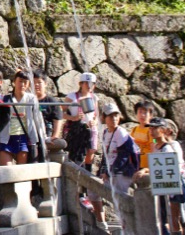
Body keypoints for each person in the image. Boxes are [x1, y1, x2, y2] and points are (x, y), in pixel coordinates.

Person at [133, 118, 185, 235]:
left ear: (162, 130)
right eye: (150, 128)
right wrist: (145, 170)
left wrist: (146, 170)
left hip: (173, 184)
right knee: (165, 218)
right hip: (163, 186)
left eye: (155, 128)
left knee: (174, 219)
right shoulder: (156, 147)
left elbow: (169, 167)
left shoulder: (168, 148)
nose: (151, 131)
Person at [90, 103, 139, 233]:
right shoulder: (106, 132)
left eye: (116, 115)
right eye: (110, 116)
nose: (114, 119)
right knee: (93, 191)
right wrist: (102, 171)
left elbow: (123, 157)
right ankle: (102, 224)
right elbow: (106, 156)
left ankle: (127, 229)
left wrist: (108, 173)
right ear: (104, 118)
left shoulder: (121, 133)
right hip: (111, 171)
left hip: (122, 172)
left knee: (120, 201)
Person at [63, 72, 99, 210]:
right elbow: (61, 113)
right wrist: (73, 118)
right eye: (87, 83)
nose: (89, 86)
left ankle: (87, 186)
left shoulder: (94, 98)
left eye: (92, 84)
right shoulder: (71, 97)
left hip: (90, 129)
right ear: (80, 84)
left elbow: (96, 115)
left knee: (90, 155)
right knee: (77, 158)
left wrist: (94, 122)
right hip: (77, 130)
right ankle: (78, 190)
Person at [0, 71, 41, 166]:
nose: (22, 84)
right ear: (14, 82)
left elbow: (38, 118)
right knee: (7, 170)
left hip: (23, 137)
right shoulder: (5, 99)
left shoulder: (31, 99)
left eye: (25, 82)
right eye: (20, 81)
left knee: (21, 170)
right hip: (6, 138)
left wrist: (43, 137)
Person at [33, 69, 64, 162]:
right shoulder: (29, 100)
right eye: (34, 82)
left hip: (46, 133)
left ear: (45, 83)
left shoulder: (51, 101)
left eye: (39, 82)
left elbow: (58, 120)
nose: (36, 85)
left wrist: (55, 136)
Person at [130, 100, 156, 169]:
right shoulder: (134, 129)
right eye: (140, 112)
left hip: (147, 167)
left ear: (150, 115)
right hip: (135, 165)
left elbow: (154, 147)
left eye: (145, 113)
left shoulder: (151, 130)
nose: (142, 115)